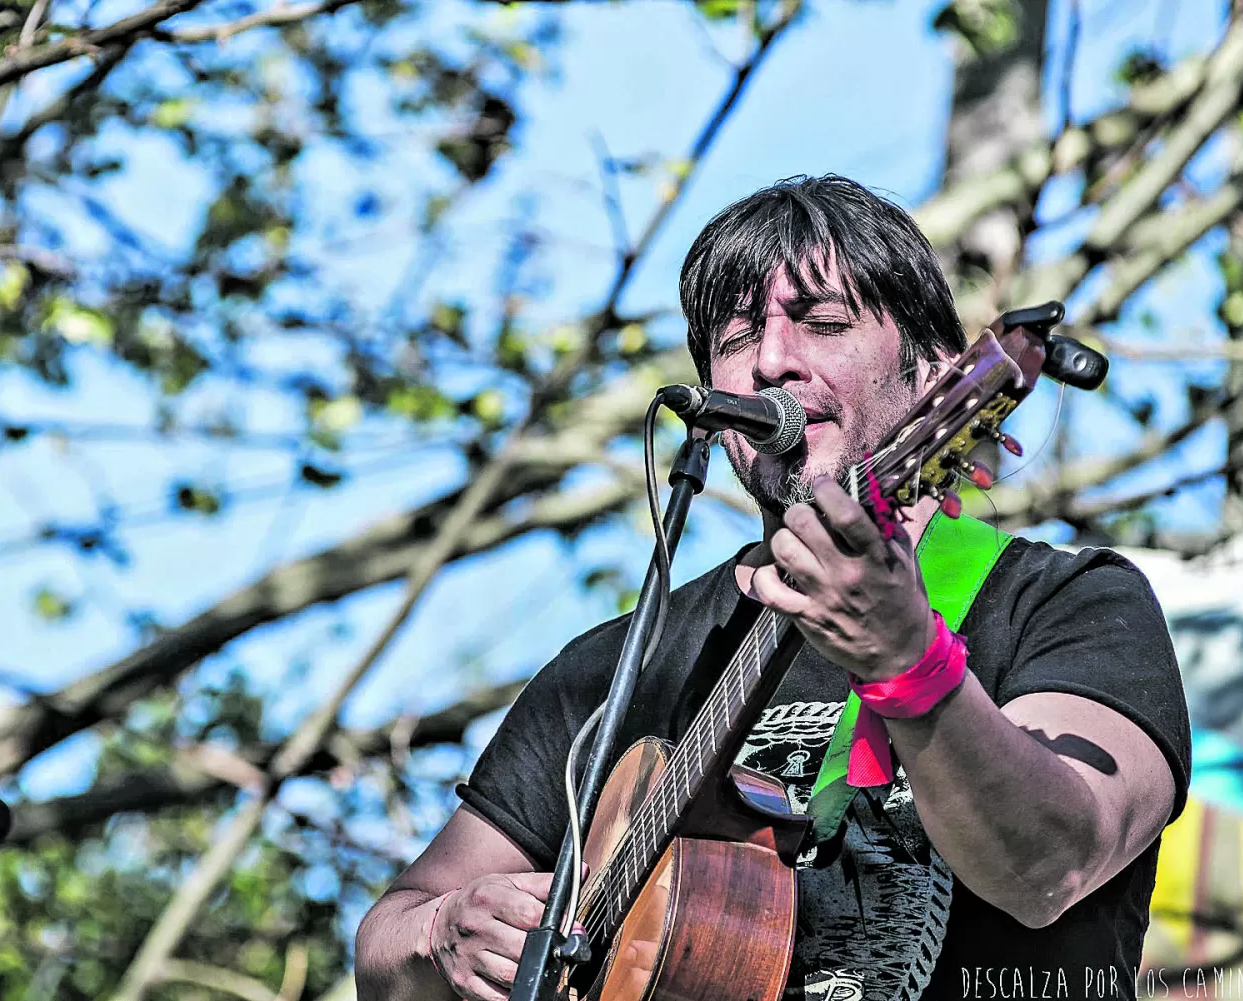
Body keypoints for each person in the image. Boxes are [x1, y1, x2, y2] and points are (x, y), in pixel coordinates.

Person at [354, 174, 1191, 1001]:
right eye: (736, 336)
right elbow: (384, 946)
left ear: (938, 380)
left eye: (825, 323)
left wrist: (907, 662)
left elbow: (1049, 863)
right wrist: (443, 932)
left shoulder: (1067, 604)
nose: (771, 362)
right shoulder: (619, 668)